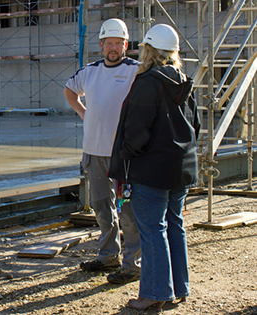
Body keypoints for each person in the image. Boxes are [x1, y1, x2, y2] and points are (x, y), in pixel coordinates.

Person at [108, 24, 199, 311]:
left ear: (147, 49)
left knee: (152, 230)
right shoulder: (183, 80)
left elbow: (137, 130)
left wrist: (126, 159)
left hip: (151, 170)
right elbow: (194, 126)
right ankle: (178, 287)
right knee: (174, 225)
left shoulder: (148, 81)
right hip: (180, 167)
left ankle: (155, 294)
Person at [63, 18, 141, 284]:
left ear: (126, 45)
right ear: (101, 44)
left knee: (128, 208)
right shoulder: (90, 71)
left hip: (124, 155)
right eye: (109, 43)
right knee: (101, 206)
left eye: (118, 43)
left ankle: (133, 263)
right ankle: (109, 256)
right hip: (94, 152)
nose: (113, 48)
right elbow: (69, 91)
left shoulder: (135, 70)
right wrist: (84, 114)